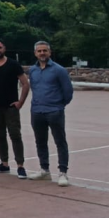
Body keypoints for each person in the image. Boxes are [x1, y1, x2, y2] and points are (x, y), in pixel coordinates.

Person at [0, 38, 30, 179]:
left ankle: (20, 166)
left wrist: (20, 102)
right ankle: (4, 163)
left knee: (15, 135)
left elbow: (25, 83)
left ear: (4, 49)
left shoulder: (13, 64)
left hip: (11, 107)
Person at [27, 40, 73, 187]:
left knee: (60, 141)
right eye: (39, 51)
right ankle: (44, 170)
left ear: (49, 52)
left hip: (54, 111)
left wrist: (58, 105)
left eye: (44, 50)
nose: (42, 53)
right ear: (35, 53)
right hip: (37, 111)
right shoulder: (32, 70)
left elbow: (68, 92)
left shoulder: (59, 70)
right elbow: (34, 88)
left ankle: (63, 172)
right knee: (40, 141)